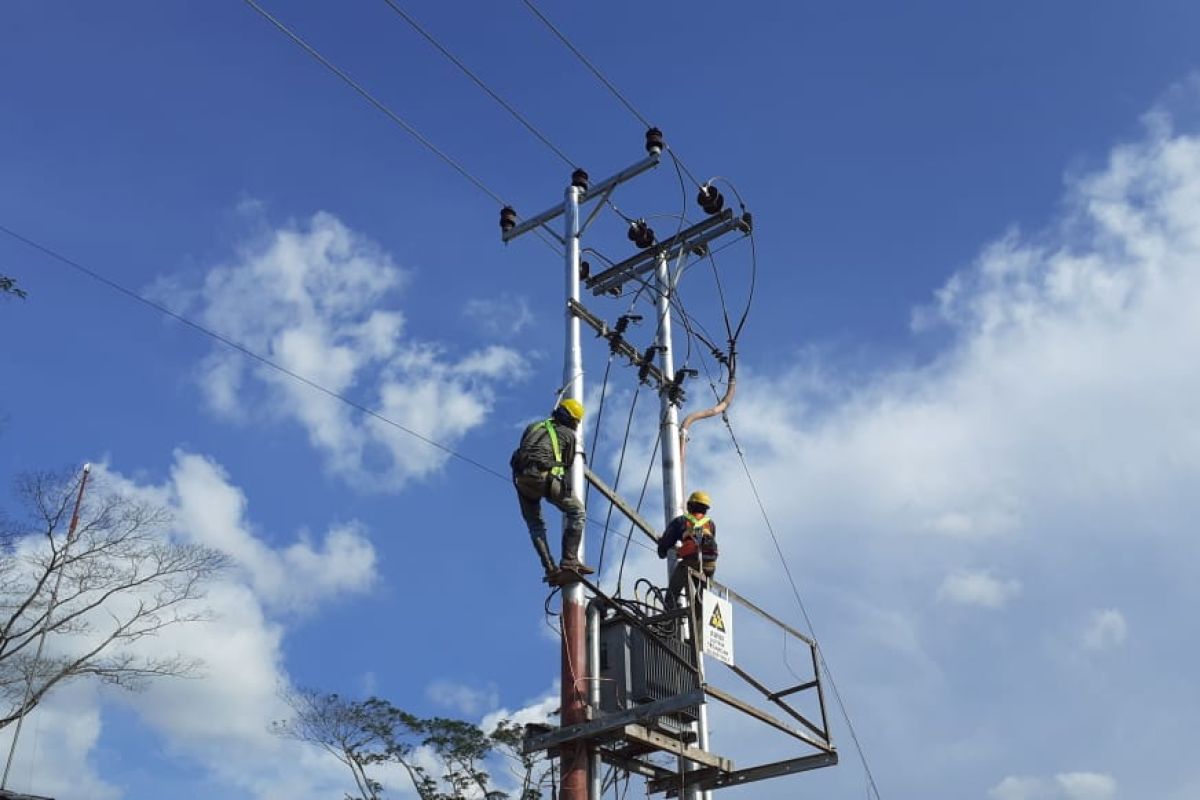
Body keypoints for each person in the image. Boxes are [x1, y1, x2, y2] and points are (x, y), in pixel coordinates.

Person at [510, 399, 593, 578]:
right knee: (577, 512)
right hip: (543, 477)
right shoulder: (568, 434)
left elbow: (525, 447)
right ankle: (570, 560)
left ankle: (550, 568)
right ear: (572, 420)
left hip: (521, 479)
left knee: (535, 524)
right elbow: (569, 462)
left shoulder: (533, 426)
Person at [657, 490, 718, 610]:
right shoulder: (710, 524)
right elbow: (707, 542)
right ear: (705, 509)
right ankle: (699, 621)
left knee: (672, 595)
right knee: (702, 599)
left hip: (691, 563)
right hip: (710, 566)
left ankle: (670, 619)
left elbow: (667, 541)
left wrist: (662, 550)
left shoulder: (682, 521)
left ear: (690, 505)